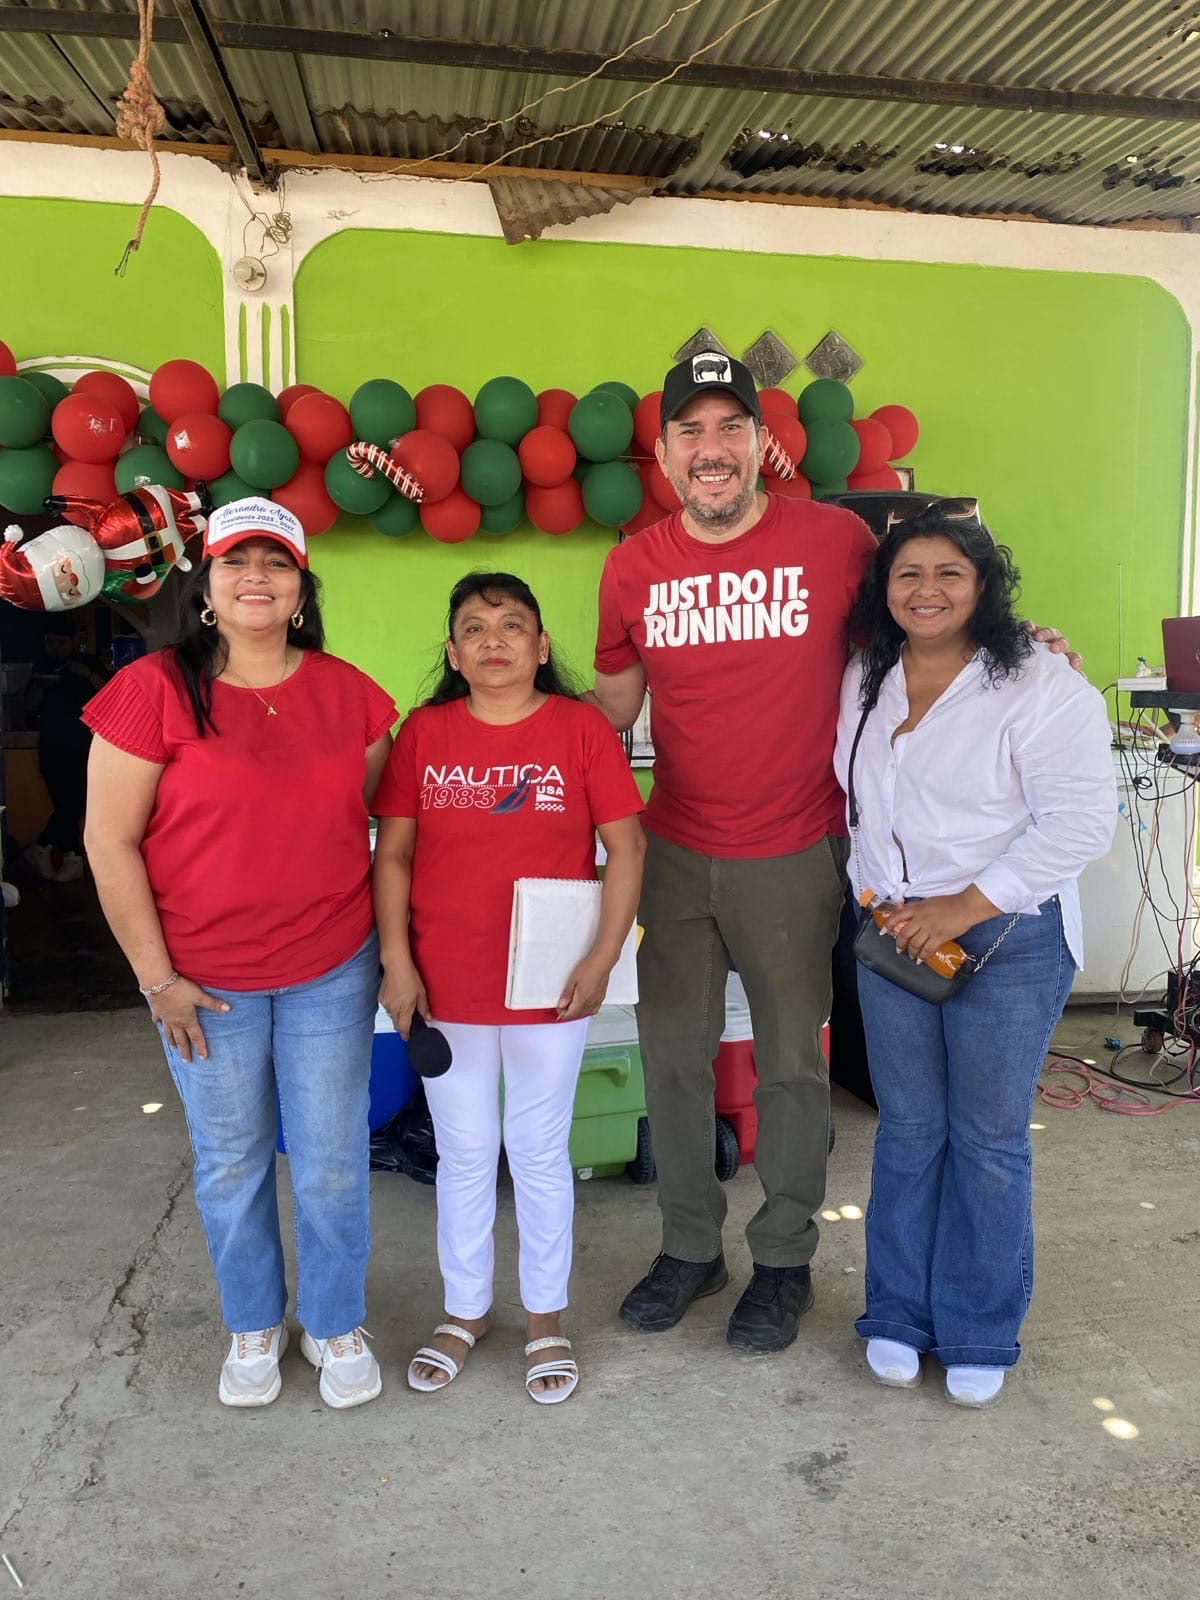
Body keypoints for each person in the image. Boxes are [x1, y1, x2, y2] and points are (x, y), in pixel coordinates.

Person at [82, 497, 397, 1411]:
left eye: (276, 562)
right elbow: (109, 842)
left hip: (330, 968)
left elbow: (375, 819)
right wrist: (158, 982)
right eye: (236, 561)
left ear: (301, 588)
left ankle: (334, 1321)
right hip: (200, 982)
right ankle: (253, 1321)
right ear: (207, 587)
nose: (256, 576)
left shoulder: (350, 694)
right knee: (231, 1160)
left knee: (332, 1160)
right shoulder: (151, 692)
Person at [592, 351, 878, 1353]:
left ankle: (786, 1258)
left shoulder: (838, 542)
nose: (710, 449)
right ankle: (690, 1247)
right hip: (673, 847)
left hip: (796, 846)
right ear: (664, 452)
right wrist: (493, 714)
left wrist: (1020, 650)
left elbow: (922, 639)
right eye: (691, 432)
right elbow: (610, 709)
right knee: (672, 1056)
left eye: (729, 428)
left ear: (762, 443)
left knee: (792, 1065)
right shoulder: (632, 565)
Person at [832, 499, 1115, 1407]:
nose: (927, 590)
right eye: (908, 573)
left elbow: (1081, 823)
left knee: (986, 1140)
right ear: (884, 589)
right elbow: (863, 805)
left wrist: (959, 908)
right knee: (909, 1131)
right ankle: (897, 1313)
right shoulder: (866, 674)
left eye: (949, 573)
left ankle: (978, 1328)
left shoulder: (1038, 682)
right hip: (897, 936)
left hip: (1007, 938)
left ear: (985, 585)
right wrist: (884, 899)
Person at [372, 572, 644, 1405]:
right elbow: (394, 854)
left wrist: (603, 957)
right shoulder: (424, 733)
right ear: (453, 653)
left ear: (541, 645)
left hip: (550, 980)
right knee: (462, 1151)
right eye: (475, 628)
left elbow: (627, 848)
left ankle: (545, 1317)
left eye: (512, 624)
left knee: (536, 1147)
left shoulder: (581, 729)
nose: (494, 640)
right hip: (445, 980)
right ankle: (465, 1312)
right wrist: (396, 961)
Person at [24, 614, 110, 883]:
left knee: (75, 799)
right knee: (65, 801)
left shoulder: (88, 663)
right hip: (52, 743)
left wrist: (88, 674)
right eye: (50, 642)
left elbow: (111, 697)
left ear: (74, 641)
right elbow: (30, 708)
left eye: (60, 642)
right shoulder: (43, 666)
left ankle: (44, 848)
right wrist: (39, 687)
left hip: (85, 743)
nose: (55, 648)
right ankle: (69, 856)